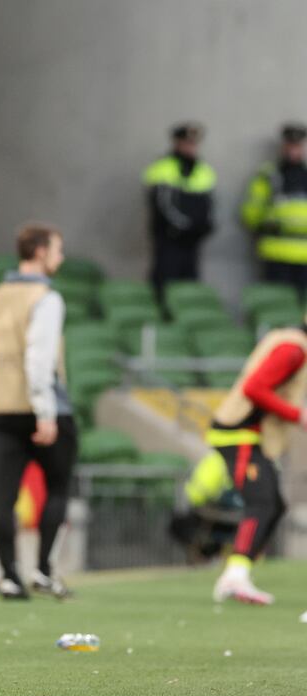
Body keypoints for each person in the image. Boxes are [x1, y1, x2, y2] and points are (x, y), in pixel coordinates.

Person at [0, 224, 77, 600]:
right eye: (57, 250)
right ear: (40, 251)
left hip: (2, 406)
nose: (60, 258)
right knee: (58, 489)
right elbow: (39, 358)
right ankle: (43, 570)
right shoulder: (46, 297)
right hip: (42, 407)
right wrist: (46, 412)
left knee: (3, 496)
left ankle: (9, 575)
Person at [206, 320, 307, 605]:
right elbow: (255, 388)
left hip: (251, 437)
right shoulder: (293, 350)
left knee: (274, 505)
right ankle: (234, 577)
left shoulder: (292, 341)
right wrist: (298, 415)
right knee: (262, 503)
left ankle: (238, 574)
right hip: (239, 434)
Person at [143, 123, 216, 298]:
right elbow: (163, 205)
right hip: (169, 237)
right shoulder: (163, 167)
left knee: (189, 286)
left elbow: (207, 204)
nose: (190, 148)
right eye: (186, 143)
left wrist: (202, 226)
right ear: (177, 143)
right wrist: (183, 225)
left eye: (193, 144)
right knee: (164, 284)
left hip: (193, 240)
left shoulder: (203, 170)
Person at [242, 124, 307, 291]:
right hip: (275, 250)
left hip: (304, 253)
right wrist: (262, 226)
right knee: (276, 301)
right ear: (283, 146)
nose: (293, 150)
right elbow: (252, 209)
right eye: (290, 145)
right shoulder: (269, 175)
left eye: (297, 146)